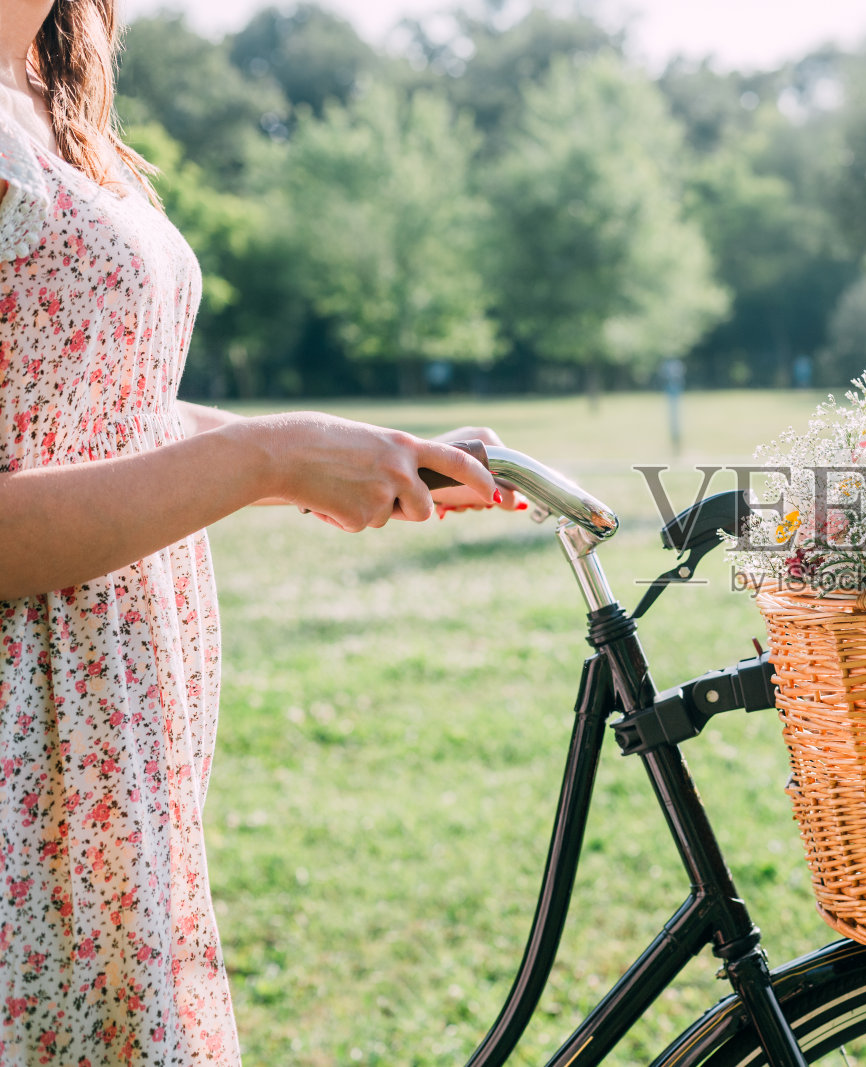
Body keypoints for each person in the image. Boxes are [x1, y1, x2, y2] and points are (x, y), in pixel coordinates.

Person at [0, 2, 513, 1061]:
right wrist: (266, 456)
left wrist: (348, 457)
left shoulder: (45, 93)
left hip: (107, 746)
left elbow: (104, 412)